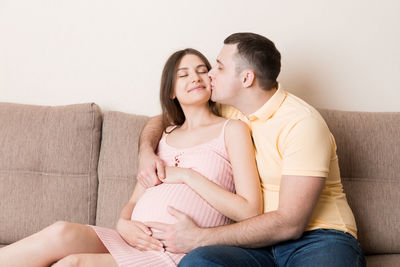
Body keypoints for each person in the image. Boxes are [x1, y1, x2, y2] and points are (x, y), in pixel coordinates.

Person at [0, 48, 262, 267]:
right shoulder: (164, 135)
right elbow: (136, 199)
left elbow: (250, 211)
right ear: (171, 91)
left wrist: (186, 175)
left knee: (72, 264)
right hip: (130, 238)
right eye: (183, 74)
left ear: (212, 79)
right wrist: (123, 223)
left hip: (170, 251)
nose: (195, 77)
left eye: (202, 70)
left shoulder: (231, 130)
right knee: (61, 231)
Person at [137, 33, 366, 266]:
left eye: (220, 67)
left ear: (246, 78)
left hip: (318, 238)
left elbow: (291, 223)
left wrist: (199, 237)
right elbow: (164, 119)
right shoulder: (231, 110)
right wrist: (145, 151)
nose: (210, 74)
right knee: (199, 262)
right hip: (255, 244)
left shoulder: (302, 123)